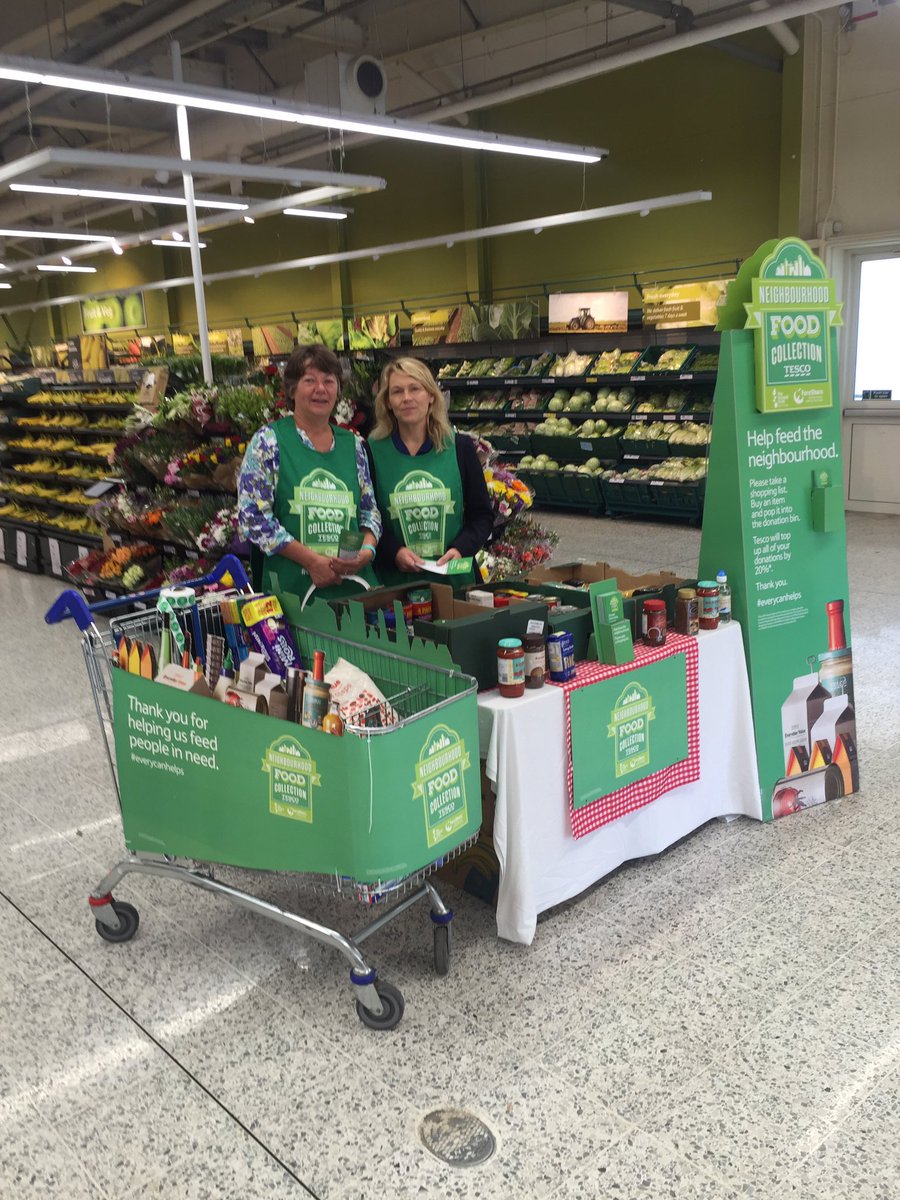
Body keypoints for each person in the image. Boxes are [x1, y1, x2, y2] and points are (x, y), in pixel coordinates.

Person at [238, 344, 381, 599]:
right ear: (292, 389)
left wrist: (366, 551)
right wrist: (312, 561)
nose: (321, 389)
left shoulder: (354, 445)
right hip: (292, 596)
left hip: (353, 593)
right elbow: (254, 518)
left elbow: (369, 511)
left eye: (329, 381)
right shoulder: (268, 443)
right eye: (309, 380)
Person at [367, 356, 493, 587]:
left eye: (415, 389)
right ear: (387, 402)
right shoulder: (371, 452)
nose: (407, 398)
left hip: (455, 582)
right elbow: (365, 519)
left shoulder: (460, 448)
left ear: (431, 396)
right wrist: (394, 551)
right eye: (397, 391)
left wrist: (460, 548)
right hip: (395, 585)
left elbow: (482, 516)